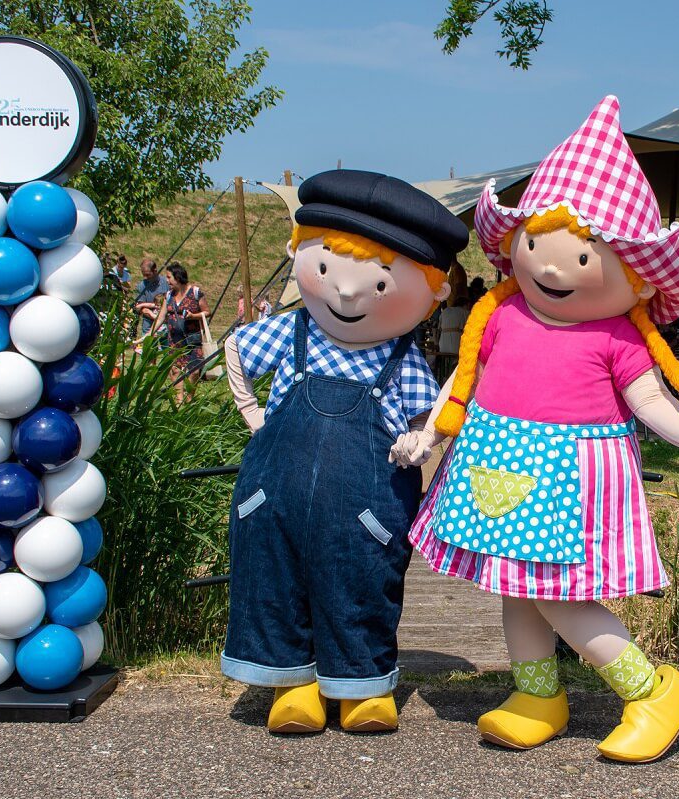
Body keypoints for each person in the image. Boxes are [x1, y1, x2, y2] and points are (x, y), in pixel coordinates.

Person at [392, 97, 679, 763]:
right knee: (516, 590)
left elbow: (649, 397)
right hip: (495, 463)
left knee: (563, 598)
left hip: (572, 480)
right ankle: (538, 695)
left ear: (636, 280)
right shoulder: (501, 314)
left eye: (582, 258)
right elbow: (463, 381)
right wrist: (431, 434)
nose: (552, 269)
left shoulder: (617, 335)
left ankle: (651, 691)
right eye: (534, 246)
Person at [222, 169, 466, 735]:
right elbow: (235, 350)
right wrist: (254, 418)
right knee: (275, 578)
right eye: (327, 269)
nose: (348, 292)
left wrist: (420, 442)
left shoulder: (400, 359)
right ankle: (292, 685)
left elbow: (430, 418)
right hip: (274, 497)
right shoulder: (292, 332)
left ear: (433, 292)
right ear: (300, 251)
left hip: (365, 510)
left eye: (380, 283)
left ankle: (363, 686)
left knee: (360, 583)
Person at [148, 262, 208, 403]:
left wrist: (193, 316)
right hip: (174, 340)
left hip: (193, 339)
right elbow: (160, 318)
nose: (167, 280)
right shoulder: (169, 295)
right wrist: (148, 335)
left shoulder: (195, 292)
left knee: (194, 371)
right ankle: (179, 401)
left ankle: (189, 398)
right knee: (175, 370)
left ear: (178, 277)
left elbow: (206, 311)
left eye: (169, 277)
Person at [132, 258, 169, 336]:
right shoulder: (141, 286)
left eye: (148, 274)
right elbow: (140, 307)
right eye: (143, 274)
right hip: (148, 328)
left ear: (155, 271)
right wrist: (155, 316)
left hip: (166, 328)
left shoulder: (166, 283)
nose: (145, 277)